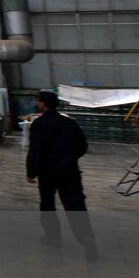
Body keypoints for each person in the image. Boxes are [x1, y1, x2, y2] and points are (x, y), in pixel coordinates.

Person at [26, 89, 93, 248]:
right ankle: (85, 237)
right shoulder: (69, 122)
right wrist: (69, 159)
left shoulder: (39, 124)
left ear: (43, 104)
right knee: (75, 205)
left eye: (38, 101)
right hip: (69, 171)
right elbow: (82, 146)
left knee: (48, 205)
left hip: (47, 173)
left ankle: (53, 237)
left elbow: (35, 150)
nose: (37, 104)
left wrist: (31, 172)